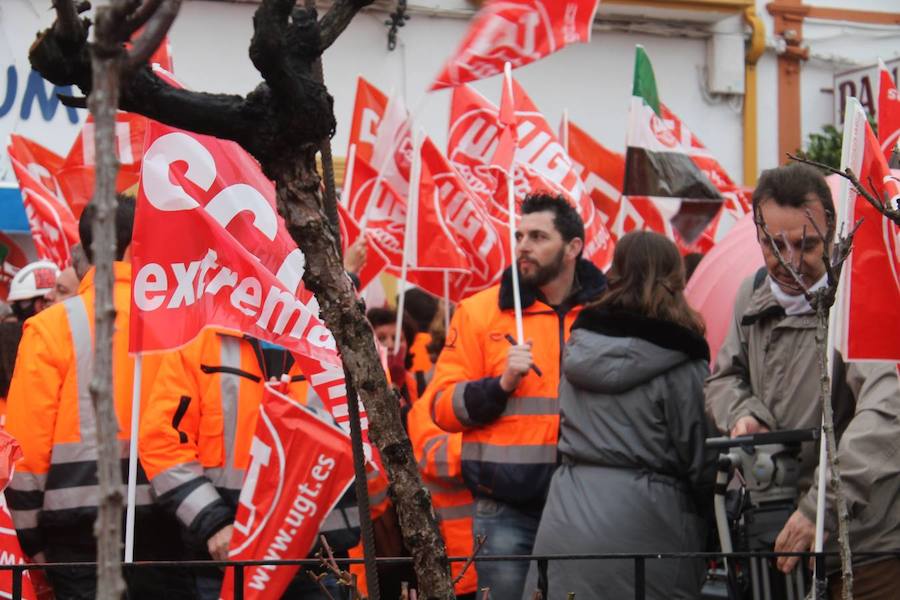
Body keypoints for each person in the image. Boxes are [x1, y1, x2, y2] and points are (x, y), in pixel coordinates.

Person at [705, 163, 900, 599]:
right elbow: (723, 379)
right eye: (775, 245)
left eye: (807, 245)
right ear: (757, 235)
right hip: (780, 533)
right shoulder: (751, 293)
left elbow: (887, 415)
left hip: (865, 547)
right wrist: (743, 415)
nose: (791, 260)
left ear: (833, 233)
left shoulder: (862, 297)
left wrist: (821, 507)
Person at [4, 196, 194, 599]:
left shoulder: (49, 329)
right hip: (170, 530)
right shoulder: (184, 324)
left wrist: (33, 545)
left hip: (76, 540)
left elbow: (25, 454)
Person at [423, 193, 607, 598]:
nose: (524, 245)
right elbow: (440, 407)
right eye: (520, 235)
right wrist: (500, 385)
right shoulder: (478, 312)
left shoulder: (608, 312)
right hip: (505, 508)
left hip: (587, 503)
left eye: (539, 236)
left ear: (573, 247)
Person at [524, 231, 714, 599]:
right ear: (675, 278)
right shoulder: (682, 359)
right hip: (650, 522)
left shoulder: (579, 347)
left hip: (567, 512)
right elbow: (700, 458)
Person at [140, 329, 360, 600]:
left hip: (320, 558)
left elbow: (372, 452)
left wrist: (311, 522)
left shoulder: (345, 345)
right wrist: (214, 523)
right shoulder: (200, 341)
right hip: (225, 557)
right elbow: (162, 445)